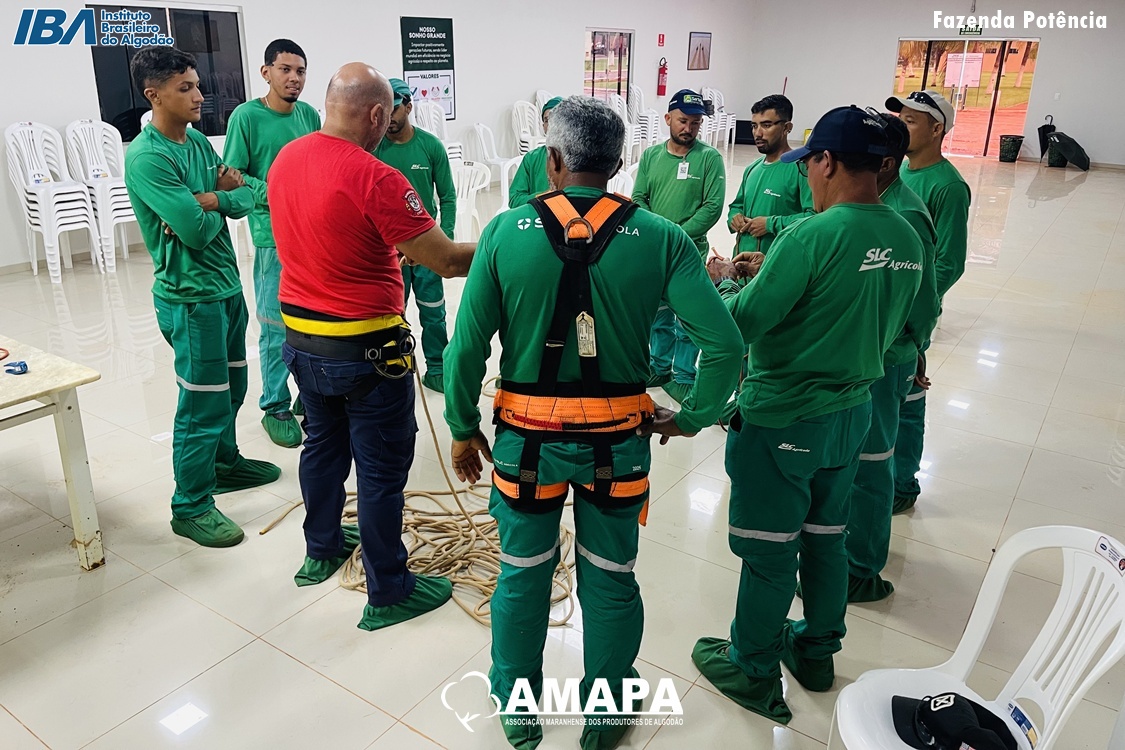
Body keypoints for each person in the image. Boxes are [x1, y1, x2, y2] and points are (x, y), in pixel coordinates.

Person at [444, 96, 742, 750]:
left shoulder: (504, 232)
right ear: (620, 161)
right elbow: (725, 346)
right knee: (610, 581)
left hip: (526, 450)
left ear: (552, 159)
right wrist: (694, 417)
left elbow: (464, 349)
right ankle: (604, 719)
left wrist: (463, 427)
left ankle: (518, 710)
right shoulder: (661, 239)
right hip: (618, 448)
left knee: (523, 575)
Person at [693, 106, 923, 723]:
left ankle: (752, 667)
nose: (807, 177)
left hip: (785, 418)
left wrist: (723, 282)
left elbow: (743, 324)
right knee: (826, 537)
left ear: (825, 161)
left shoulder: (811, 237)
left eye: (809, 165)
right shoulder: (906, 236)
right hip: (852, 415)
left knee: (771, 550)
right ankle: (817, 652)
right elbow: (887, 318)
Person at [267, 63, 475, 630]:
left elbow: (328, 229)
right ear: (379, 114)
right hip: (365, 352)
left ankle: (321, 549)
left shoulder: (287, 158)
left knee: (322, 449)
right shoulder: (377, 177)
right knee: (381, 471)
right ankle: (389, 590)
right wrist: (507, 243)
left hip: (302, 343)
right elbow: (447, 260)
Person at [124, 46, 281, 548]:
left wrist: (214, 200)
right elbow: (192, 231)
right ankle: (190, 505)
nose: (199, 95)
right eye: (185, 88)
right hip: (190, 298)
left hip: (226, 287)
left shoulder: (194, 142)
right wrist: (218, 207)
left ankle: (224, 464)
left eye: (196, 84)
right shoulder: (149, 157)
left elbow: (244, 195)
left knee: (232, 389)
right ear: (154, 95)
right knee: (201, 404)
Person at [842, 112, 940, 603]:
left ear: (884, 163)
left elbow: (924, 300)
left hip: (885, 357)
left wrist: (914, 349)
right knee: (851, 459)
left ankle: (861, 570)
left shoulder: (905, 215)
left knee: (872, 462)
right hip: (858, 355)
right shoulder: (865, 206)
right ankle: (844, 549)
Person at [222, 38, 321, 448]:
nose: (294, 78)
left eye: (300, 71)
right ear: (266, 73)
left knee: (313, 323)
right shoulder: (246, 117)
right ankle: (275, 405)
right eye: (285, 69)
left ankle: (308, 395)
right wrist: (278, 194)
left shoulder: (309, 115)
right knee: (275, 326)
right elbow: (231, 175)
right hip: (272, 239)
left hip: (313, 236)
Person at [885, 90, 971, 515]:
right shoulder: (897, 171)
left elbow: (949, 263)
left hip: (909, 314)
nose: (901, 126)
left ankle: (903, 484)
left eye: (911, 121)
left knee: (908, 401)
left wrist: (913, 305)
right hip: (882, 308)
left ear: (937, 129)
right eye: (899, 118)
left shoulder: (948, 187)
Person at [632, 89, 726, 403]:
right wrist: (656, 235)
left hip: (689, 253)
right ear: (668, 118)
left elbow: (712, 207)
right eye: (683, 121)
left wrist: (676, 236)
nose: (689, 128)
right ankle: (659, 366)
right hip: (654, 251)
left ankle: (684, 375)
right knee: (658, 314)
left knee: (688, 319)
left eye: (696, 123)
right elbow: (638, 198)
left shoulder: (709, 158)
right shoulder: (651, 156)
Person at [374, 78, 456, 394]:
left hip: (426, 245)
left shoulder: (430, 146)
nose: (388, 118)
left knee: (433, 312)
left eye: (394, 110)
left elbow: (447, 197)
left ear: (408, 107)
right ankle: (395, 371)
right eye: (383, 110)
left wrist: (444, 240)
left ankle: (437, 369)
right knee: (391, 315)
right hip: (388, 250)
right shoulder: (374, 149)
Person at [727, 94, 812, 256]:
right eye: (754, 126)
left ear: (787, 128)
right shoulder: (752, 169)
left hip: (778, 264)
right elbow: (736, 206)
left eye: (766, 125)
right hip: (741, 265)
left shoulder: (802, 170)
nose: (757, 133)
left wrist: (770, 224)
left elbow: (813, 218)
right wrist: (734, 217)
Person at [508, 96, 564, 208]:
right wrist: (543, 196)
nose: (551, 124)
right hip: (538, 215)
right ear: (543, 127)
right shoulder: (532, 158)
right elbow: (514, 199)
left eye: (556, 119)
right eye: (547, 120)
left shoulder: (578, 158)